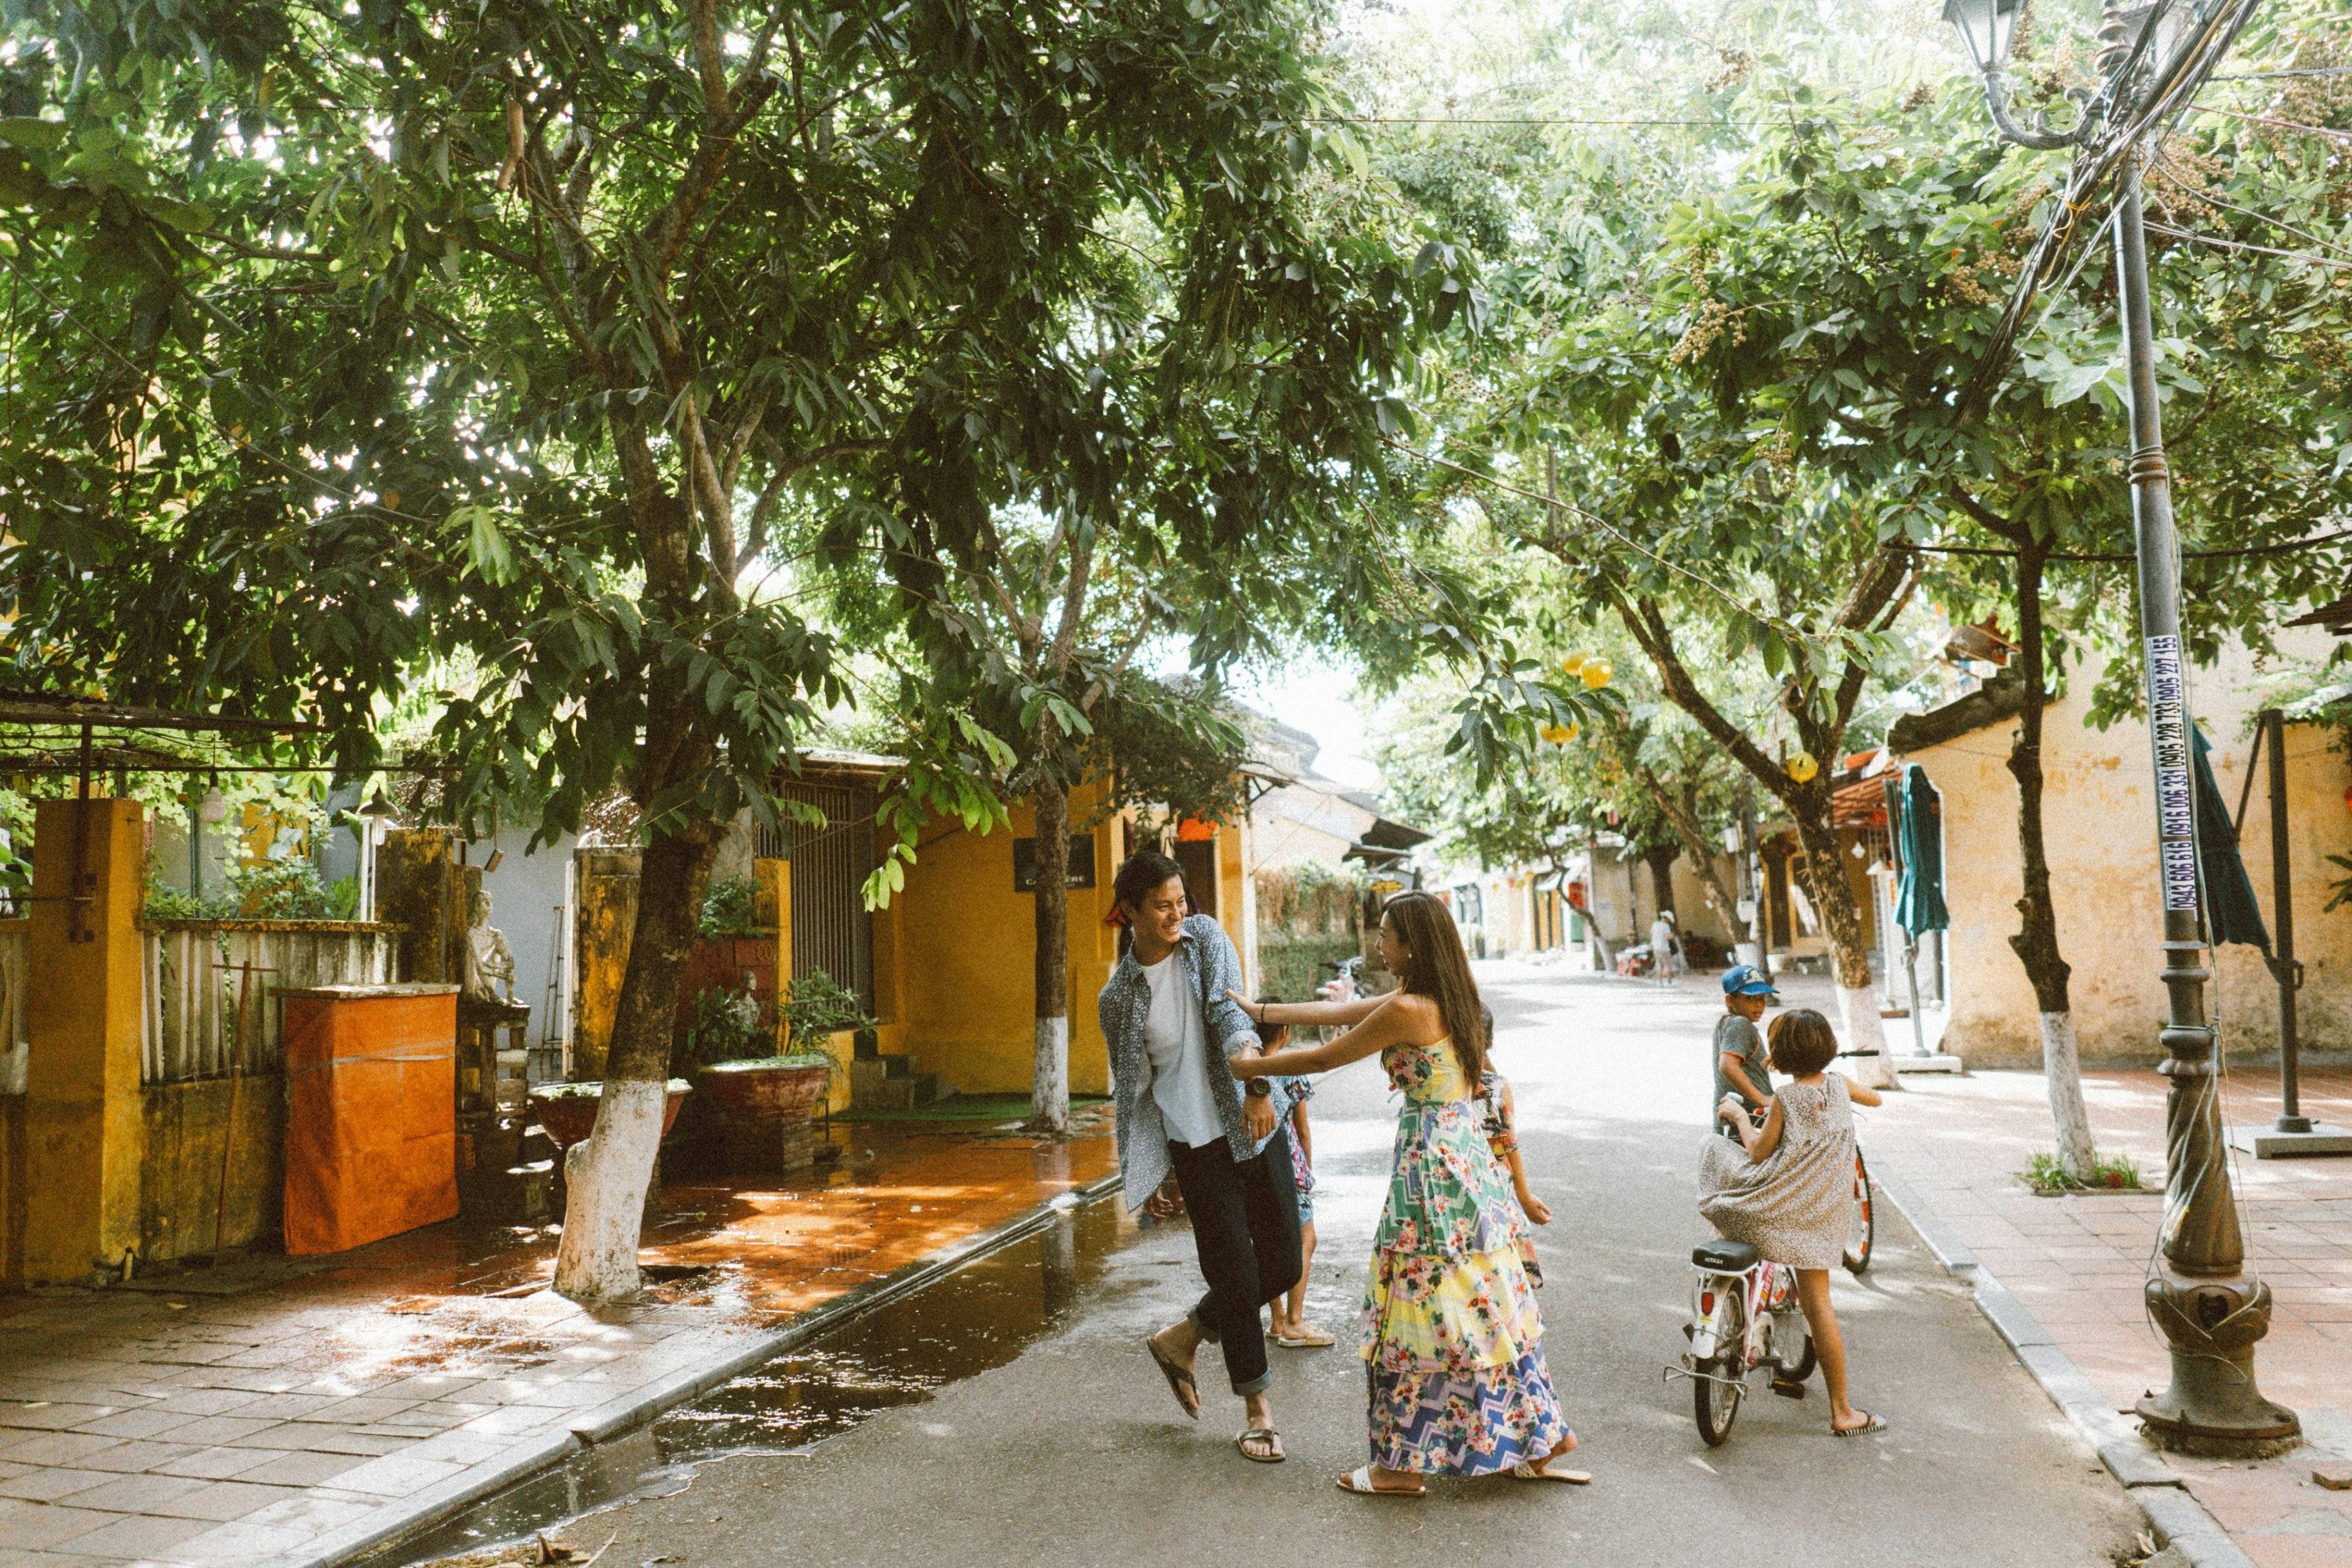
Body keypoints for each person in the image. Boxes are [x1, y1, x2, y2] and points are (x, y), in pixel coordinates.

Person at [1229, 891, 1585, 1496]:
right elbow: (1340, 1014)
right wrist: (1261, 1009)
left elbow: (1327, 1054)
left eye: (1386, 933)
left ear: (1412, 944)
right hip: (1470, 1165)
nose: (1378, 943)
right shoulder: (1447, 998)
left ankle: (1399, 1464)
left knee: (1417, 1313)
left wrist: (1248, 1067)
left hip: (1434, 1170)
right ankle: (1542, 1436)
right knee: (1484, 1303)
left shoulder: (1413, 1009)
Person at [1102, 850, 1299, 1465]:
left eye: (1180, 901)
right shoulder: (1117, 997)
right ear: (1129, 911)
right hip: (1196, 1147)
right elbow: (1134, 1087)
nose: (1177, 914)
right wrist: (1153, 1163)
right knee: (1235, 1277)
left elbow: (1229, 1013)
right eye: (1162, 906)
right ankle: (1258, 1411)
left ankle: (1182, 1336)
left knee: (1285, 1263)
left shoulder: (1205, 939)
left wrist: (1257, 1085)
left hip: (1253, 1124)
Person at [1698, 1008, 1886, 1436]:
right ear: (1828, 1050)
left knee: (1717, 1152)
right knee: (1820, 1308)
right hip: (1819, 1221)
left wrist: (1738, 1115)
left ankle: (1731, 1280)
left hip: (1772, 1211)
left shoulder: (1784, 1098)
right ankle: (1843, 1412)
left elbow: (1759, 1152)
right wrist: (1839, 1088)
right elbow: (1876, 1099)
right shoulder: (1838, 1087)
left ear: (1779, 1055)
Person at [1262, 1004, 1333, 1349]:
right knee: (1306, 1237)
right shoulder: (1290, 1070)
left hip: (1254, 1165)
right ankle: (1294, 1319)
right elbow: (1302, 1131)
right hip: (1288, 1165)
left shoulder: (1246, 1069)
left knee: (1267, 1240)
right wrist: (1307, 1169)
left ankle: (1276, 1320)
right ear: (1285, 1032)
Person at [1475, 1065, 1549, 1287]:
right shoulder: (1494, 1085)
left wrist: (1524, 1195)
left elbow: (1508, 1143)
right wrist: (1523, 1195)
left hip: (1488, 1191)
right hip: (1493, 1194)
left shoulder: (1492, 1087)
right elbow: (1509, 1144)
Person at [1714, 963, 1778, 1133]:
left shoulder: (1727, 1022)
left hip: (1735, 1119)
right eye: (1750, 999)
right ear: (1730, 1000)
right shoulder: (1741, 1024)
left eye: (1762, 998)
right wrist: (1763, 1099)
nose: (1759, 1005)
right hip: (1748, 1120)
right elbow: (1727, 1066)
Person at [1649, 908, 1679, 985]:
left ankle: (1660, 982)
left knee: (1659, 965)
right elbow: (1668, 937)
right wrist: (1672, 935)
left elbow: (1652, 933)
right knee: (1668, 966)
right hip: (1664, 948)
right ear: (1667, 919)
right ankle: (1669, 982)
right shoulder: (1666, 926)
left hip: (1656, 948)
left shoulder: (1655, 924)